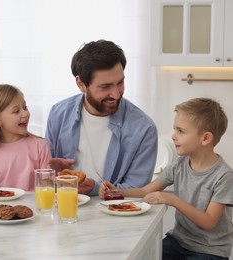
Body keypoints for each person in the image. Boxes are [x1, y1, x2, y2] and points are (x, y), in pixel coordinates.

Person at [100, 98, 233, 259]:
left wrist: (172, 199)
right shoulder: (180, 165)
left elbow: (209, 221)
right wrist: (117, 190)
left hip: (210, 251)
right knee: (145, 254)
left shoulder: (224, 176)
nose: (173, 136)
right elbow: (144, 191)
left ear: (205, 138)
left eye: (181, 131)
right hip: (178, 242)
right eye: (174, 129)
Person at [46, 39, 158, 195]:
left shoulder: (143, 128)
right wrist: (49, 170)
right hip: (63, 207)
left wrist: (94, 189)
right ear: (81, 84)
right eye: (105, 87)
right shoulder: (58, 114)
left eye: (120, 82)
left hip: (114, 213)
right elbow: (44, 176)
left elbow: (137, 189)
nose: (116, 94)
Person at [0, 84, 51, 191]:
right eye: (16, 111)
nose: (25, 114)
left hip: (35, 207)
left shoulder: (40, 146)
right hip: (3, 207)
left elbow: (47, 188)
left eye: (25, 107)